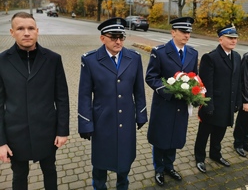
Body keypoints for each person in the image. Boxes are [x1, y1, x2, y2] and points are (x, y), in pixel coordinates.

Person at [0, 12, 70, 190]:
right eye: (20, 28)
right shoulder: (2, 61)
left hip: (47, 131)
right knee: (19, 175)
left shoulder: (53, 59)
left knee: (50, 170)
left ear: (37, 31)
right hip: (16, 134)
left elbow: (62, 98)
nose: (26, 33)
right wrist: (1, 141)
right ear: (12, 32)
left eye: (31, 28)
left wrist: (62, 131)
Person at [78, 17, 147, 190]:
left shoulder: (134, 58)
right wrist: (85, 123)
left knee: (124, 158)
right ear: (102, 38)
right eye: (113, 37)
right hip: (103, 120)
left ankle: (122, 185)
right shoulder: (90, 60)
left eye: (121, 37)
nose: (118, 41)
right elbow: (85, 95)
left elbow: (139, 89)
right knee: (101, 160)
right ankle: (99, 186)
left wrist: (141, 113)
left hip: (127, 119)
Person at [145, 17, 198, 186]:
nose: (186, 35)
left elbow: (194, 77)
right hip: (164, 103)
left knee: (175, 136)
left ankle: (169, 165)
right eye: (183, 32)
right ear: (173, 32)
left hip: (181, 105)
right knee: (161, 137)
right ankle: (159, 169)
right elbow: (151, 77)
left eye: (188, 32)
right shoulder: (159, 51)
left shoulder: (192, 53)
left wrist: (194, 92)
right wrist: (170, 91)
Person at [194, 24, 242, 173]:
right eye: (230, 38)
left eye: (235, 38)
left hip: (227, 105)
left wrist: (238, 102)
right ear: (221, 39)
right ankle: (199, 158)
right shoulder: (211, 57)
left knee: (220, 132)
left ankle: (215, 154)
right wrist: (208, 105)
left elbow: (237, 81)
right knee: (204, 133)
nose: (233, 41)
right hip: (213, 105)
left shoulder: (237, 56)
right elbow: (206, 84)